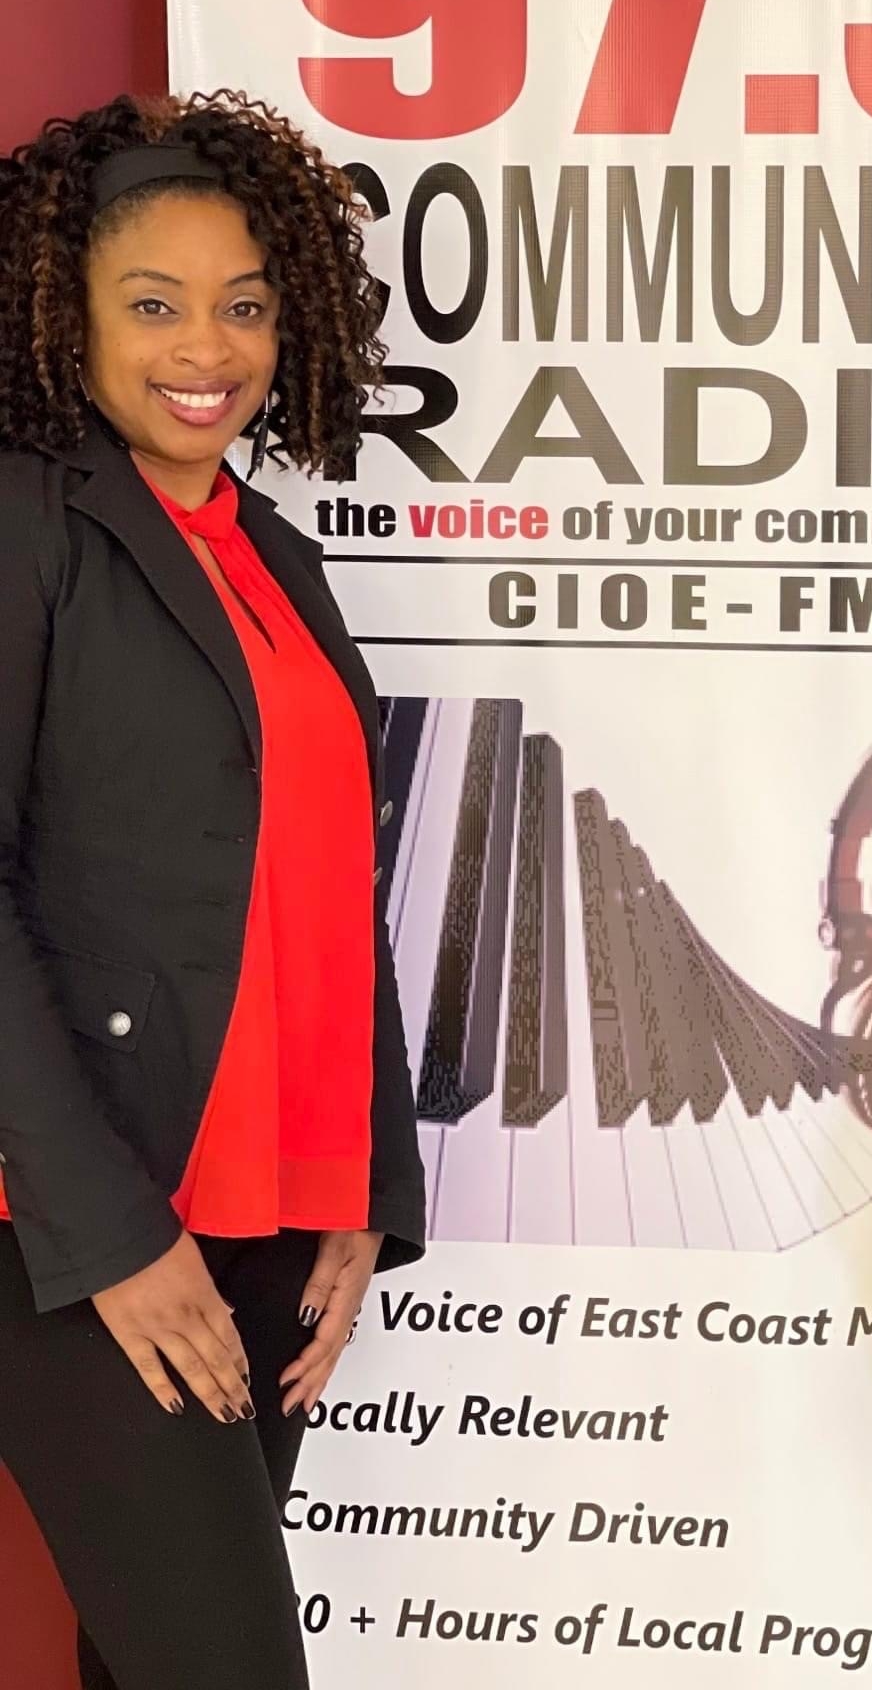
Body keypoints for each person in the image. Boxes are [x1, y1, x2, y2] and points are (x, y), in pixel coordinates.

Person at [0, 91, 427, 1690]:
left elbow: (333, 883)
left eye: (245, 305)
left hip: (259, 1215)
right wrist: (113, 1233)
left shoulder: (261, 547)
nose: (211, 347)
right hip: (80, 1219)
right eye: (156, 304)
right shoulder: (28, 519)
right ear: (69, 317)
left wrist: (359, 1181)